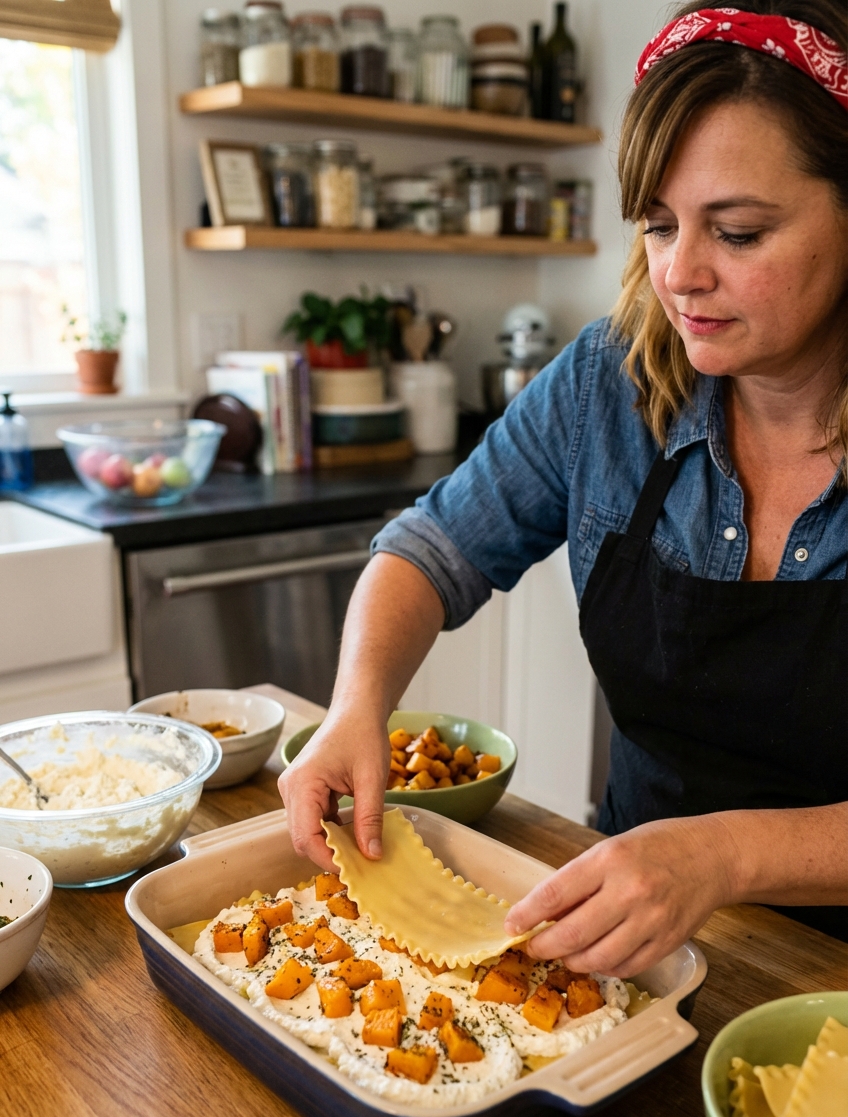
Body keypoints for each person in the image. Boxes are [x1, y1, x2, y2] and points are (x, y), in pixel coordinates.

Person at [280, 0, 848, 971]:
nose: (679, 275)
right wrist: (355, 703)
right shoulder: (609, 383)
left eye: (738, 232)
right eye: (657, 226)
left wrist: (716, 855)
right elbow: (429, 548)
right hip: (618, 931)